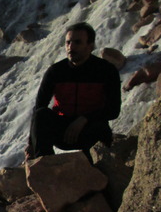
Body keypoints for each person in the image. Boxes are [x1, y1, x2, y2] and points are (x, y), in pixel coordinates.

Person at [26, 22, 121, 159]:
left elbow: (113, 110)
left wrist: (84, 119)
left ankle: (100, 169)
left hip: (90, 130)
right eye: (68, 43)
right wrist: (31, 144)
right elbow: (40, 106)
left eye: (77, 42)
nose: (71, 47)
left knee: (101, 128)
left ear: (90, 46)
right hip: (63, 130)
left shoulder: (106, 71)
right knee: (41, 115)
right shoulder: (56, 71)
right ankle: (45, 166)